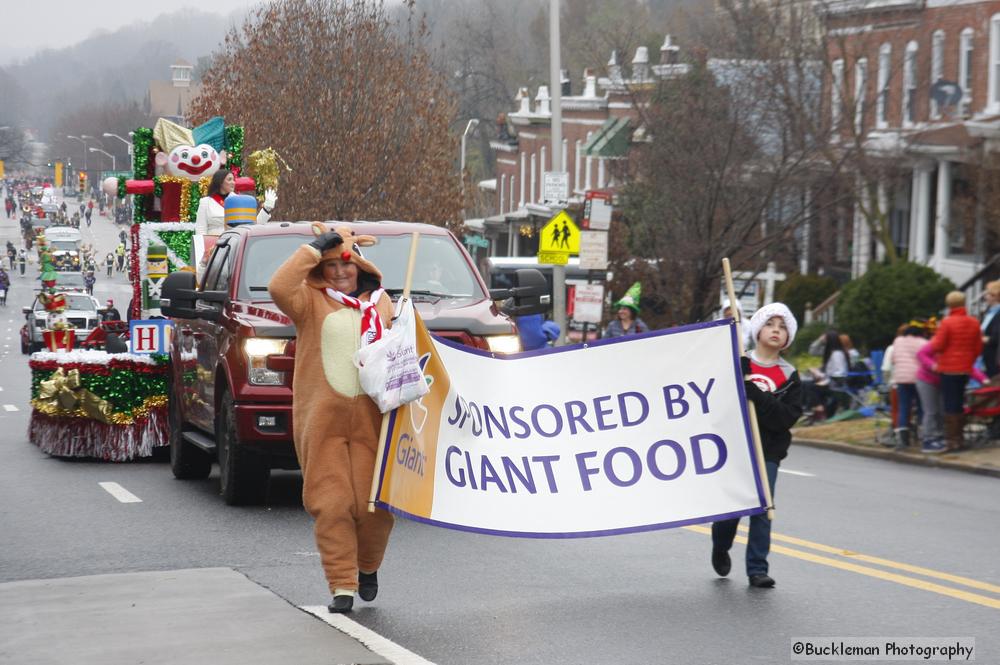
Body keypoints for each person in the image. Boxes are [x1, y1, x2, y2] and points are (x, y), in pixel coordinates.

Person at [268, 223, 394, 614]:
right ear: (319, 271)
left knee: (376, 505)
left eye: (346, 265)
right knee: (332, 503)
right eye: (330, 266)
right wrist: (312, 248)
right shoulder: (308, 301)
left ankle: (368, 567)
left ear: (360, 266)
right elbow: (278, 287)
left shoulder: (384, 303)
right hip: (323, 421)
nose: (339, 272)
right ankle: (342, 584)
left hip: (375, 418)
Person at [712, 302, 802, 589]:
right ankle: (720, 544)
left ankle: (757, 568)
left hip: (769, 449)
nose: (776, 331)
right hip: (736, 444)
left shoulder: (789, 376)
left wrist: (758, 395)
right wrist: (737, 380)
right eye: (770, 324)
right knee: (733, 508)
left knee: (762, 508)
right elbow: (718, 403)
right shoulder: (739, 362)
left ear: (788, 339)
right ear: (757, 329)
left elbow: (784, 418)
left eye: (783, 327)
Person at [929, 291, 982, 451]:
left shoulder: (946, 322)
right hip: (965, 368)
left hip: (948, 369)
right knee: (959, 402)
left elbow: (937, 346)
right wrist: (969, 360)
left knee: (949, 403)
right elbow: (978, 347)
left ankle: (951, 440)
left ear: (949, 305)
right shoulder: (974, 322)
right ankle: (959, 438)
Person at [195, 169, 277, 236]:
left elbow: (253, 227)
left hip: (234, 245)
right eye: (229, 180)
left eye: (233, 180)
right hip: (213, 247)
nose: (233, 183)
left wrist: (266, 209)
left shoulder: (239, 201)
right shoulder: (205, 202)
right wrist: (203, 250)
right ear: (220, 182)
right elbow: (200, 229)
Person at [886, 322, 927, 450]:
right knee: (922, 407)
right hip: (918, 378)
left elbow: (893, 360)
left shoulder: (897, 341)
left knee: (904, 408)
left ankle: (903, 440)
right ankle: (922, 436)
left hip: (901, 379)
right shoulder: (923, 342)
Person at [805, 330, 849, 419]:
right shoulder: (830, 351)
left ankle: (818, 409)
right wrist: (819, 340)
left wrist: (819, 374)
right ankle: (813, 410)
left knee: (810, 386)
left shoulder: (837, 354)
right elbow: (812, 351)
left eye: (824, 340)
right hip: (830, 381)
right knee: (805, 383)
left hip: (835, 384)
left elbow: (839, 373)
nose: (823, 342)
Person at [980, 280, 1000, 379]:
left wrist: (979, 338)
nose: (985, 296)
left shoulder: (997, 313)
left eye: (988, 293)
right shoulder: (990, 312)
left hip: (993, 360)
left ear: (995, 296)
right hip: (987, 358)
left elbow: (995, 338)